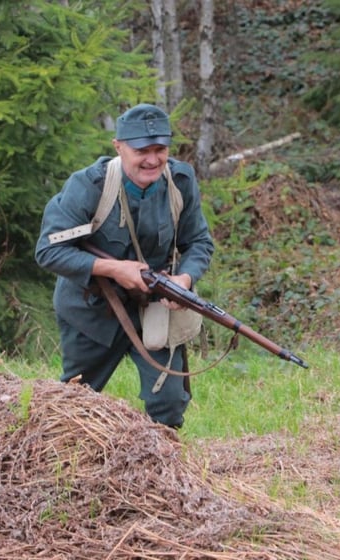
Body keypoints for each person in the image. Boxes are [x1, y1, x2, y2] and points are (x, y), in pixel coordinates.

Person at [35, 103, 215, 429]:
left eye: (160, 149)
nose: (152, 159)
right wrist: (115, 269)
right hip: (91, 311)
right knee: (74, 404)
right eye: (141, 150)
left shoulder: (180, 182)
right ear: (119, 147)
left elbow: (199, 242)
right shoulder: (88, 186)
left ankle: (160, 468)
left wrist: (185, 279)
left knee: (169, 404)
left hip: (154, 309)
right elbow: (49, 251)